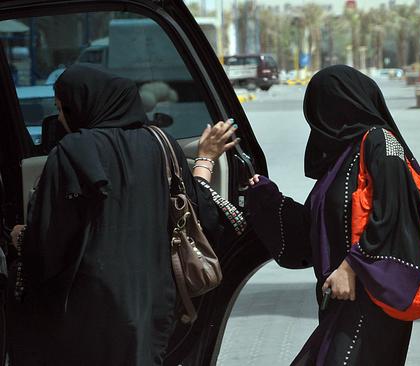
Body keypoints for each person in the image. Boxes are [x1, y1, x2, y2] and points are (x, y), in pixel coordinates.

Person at [6, 64, 244, 366]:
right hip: (154, 303)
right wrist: (205, 160)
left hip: (87, 309)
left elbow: (50, 240)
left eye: (62, 109)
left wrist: (21, 239)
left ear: (81, 105)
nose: (62, 119)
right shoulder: (161, 144)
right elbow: (201, 214)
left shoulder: (71, 152)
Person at [246, 65, 420, 365]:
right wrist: (268, 199)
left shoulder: (383, 143)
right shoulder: (343, 159)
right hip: (341, 302)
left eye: (319, 109)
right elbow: (313, 233)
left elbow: (395, 215)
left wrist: (351, 267)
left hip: (374, 300)